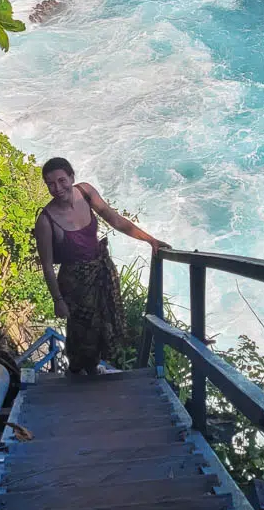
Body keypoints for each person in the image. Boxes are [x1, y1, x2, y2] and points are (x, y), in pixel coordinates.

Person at [35, 156, 168, 376]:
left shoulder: (85, 192)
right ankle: (77, 372)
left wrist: (150, 240)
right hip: (74, 283)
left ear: (71, 177)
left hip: (101, 270)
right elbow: (48, 266)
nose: (57, 188)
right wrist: (57, 300)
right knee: (82, 332)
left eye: (61, 180)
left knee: (107, 322)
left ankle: (93, 368)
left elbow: (114, 220)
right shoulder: (45, 220)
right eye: (50, 183)